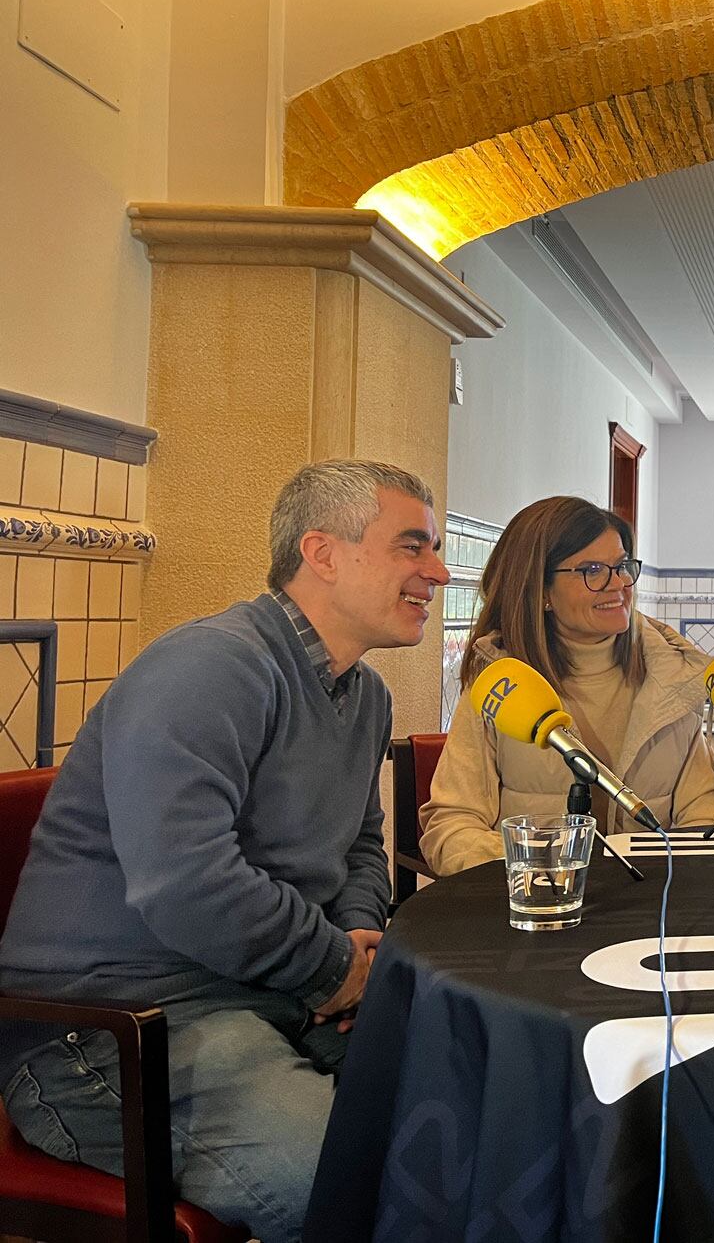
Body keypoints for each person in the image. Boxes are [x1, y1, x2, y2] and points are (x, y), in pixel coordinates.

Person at [0, 460, 449, 1243]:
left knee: (475, 1122)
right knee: (367, 1191)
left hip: (266, 994)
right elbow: (186, 881)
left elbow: (362, 845)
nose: (438, 572)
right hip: (108, 1034)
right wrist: (335, 968)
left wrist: (355, 947)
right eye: (413, 547)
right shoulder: (209, 666)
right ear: (323, 552)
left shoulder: (365, 695)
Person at [420, 495, 714, 873]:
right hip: (534, 908)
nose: (618, 585)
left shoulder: (673, 677)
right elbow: (451, 828)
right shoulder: (499, 682)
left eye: (622, 566)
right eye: (593, 570)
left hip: (650, 911)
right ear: (542, 591)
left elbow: (706, 818)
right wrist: (541, 872)